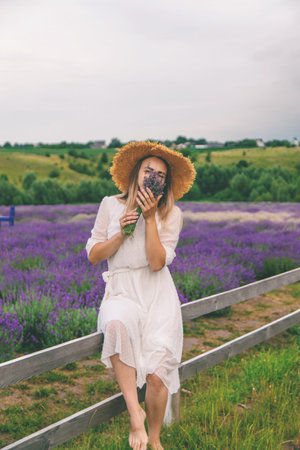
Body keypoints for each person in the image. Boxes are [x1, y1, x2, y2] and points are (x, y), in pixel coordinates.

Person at [85, 141, 195, 450]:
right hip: (121, 290)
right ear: (136, 173)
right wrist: (121, 232)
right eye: (149, 170)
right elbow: (94, 255)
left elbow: (157, 262)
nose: (153, 177)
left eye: (160, 174)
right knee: (117, 325)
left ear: (165, 183)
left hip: (157, 294)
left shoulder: (172, 214)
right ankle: (136, 415)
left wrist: (149, 220)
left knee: (158, 375)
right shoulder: (110, 204)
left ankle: (155, 439)